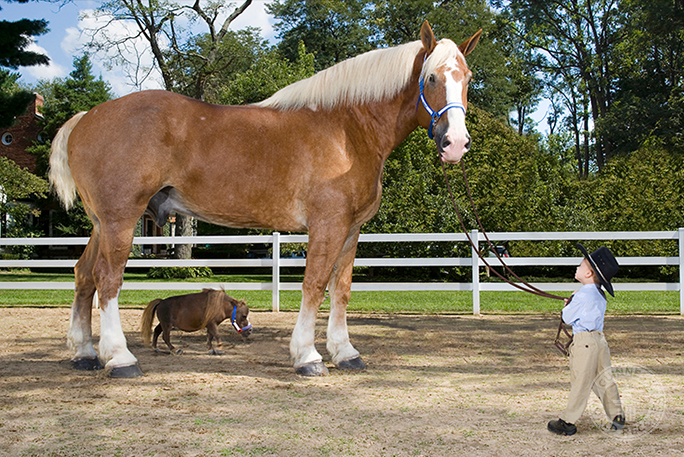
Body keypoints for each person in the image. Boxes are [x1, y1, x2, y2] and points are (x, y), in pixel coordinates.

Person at [547, 244, 625, 436]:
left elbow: (567, 318)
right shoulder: (600, 294)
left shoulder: (582, 294)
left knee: (580, 381)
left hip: (584, 342)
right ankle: (616, 415)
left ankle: (568, 421)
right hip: (600, 341)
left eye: (581, 266)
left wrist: (569, 303)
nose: (577, 268)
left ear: (589, 274)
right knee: (605, 379)